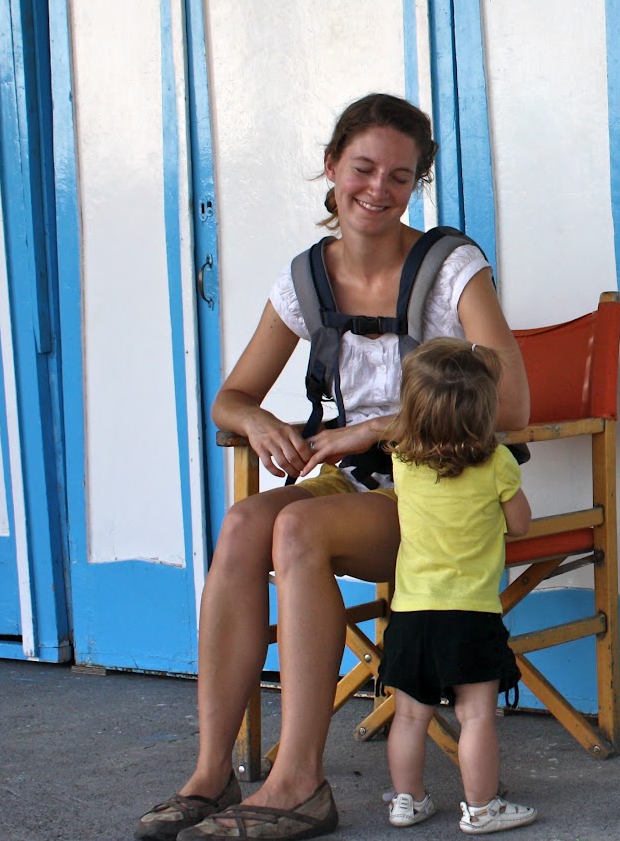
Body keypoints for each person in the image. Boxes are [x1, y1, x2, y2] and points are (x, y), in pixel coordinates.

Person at [135, 93, 530, 841]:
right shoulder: (305, 282)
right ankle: (212, 773)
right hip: (352, 484)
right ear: (331, 166)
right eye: (363, 168)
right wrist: (259, 421)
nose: (378, 189)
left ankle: (298, 781)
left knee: (298, 530)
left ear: (417, 184)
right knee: (244, 524)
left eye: (400, 176)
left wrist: (374, 429)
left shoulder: (452, 267)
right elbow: (230, 398)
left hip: (437, 491)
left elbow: (511, 405)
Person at [378, 338, 535, 834]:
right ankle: (482, 808)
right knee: (476, 716)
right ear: (483, 410)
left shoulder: (402, 462)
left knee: (409, 716)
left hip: (411, 613)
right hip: (470, 614)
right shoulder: (497, 462)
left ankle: (407, 801)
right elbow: (521, 525)